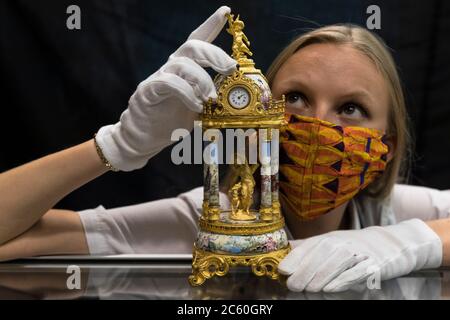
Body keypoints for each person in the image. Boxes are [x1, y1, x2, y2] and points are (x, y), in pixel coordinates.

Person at [0, 6, 449, 293]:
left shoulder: (395, 214)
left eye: (350, 107)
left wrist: (408, 241)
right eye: (294, 98)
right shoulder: (206, 220)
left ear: (386, 146)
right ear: (254, 119)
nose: (318, 124)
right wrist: (114, 146)